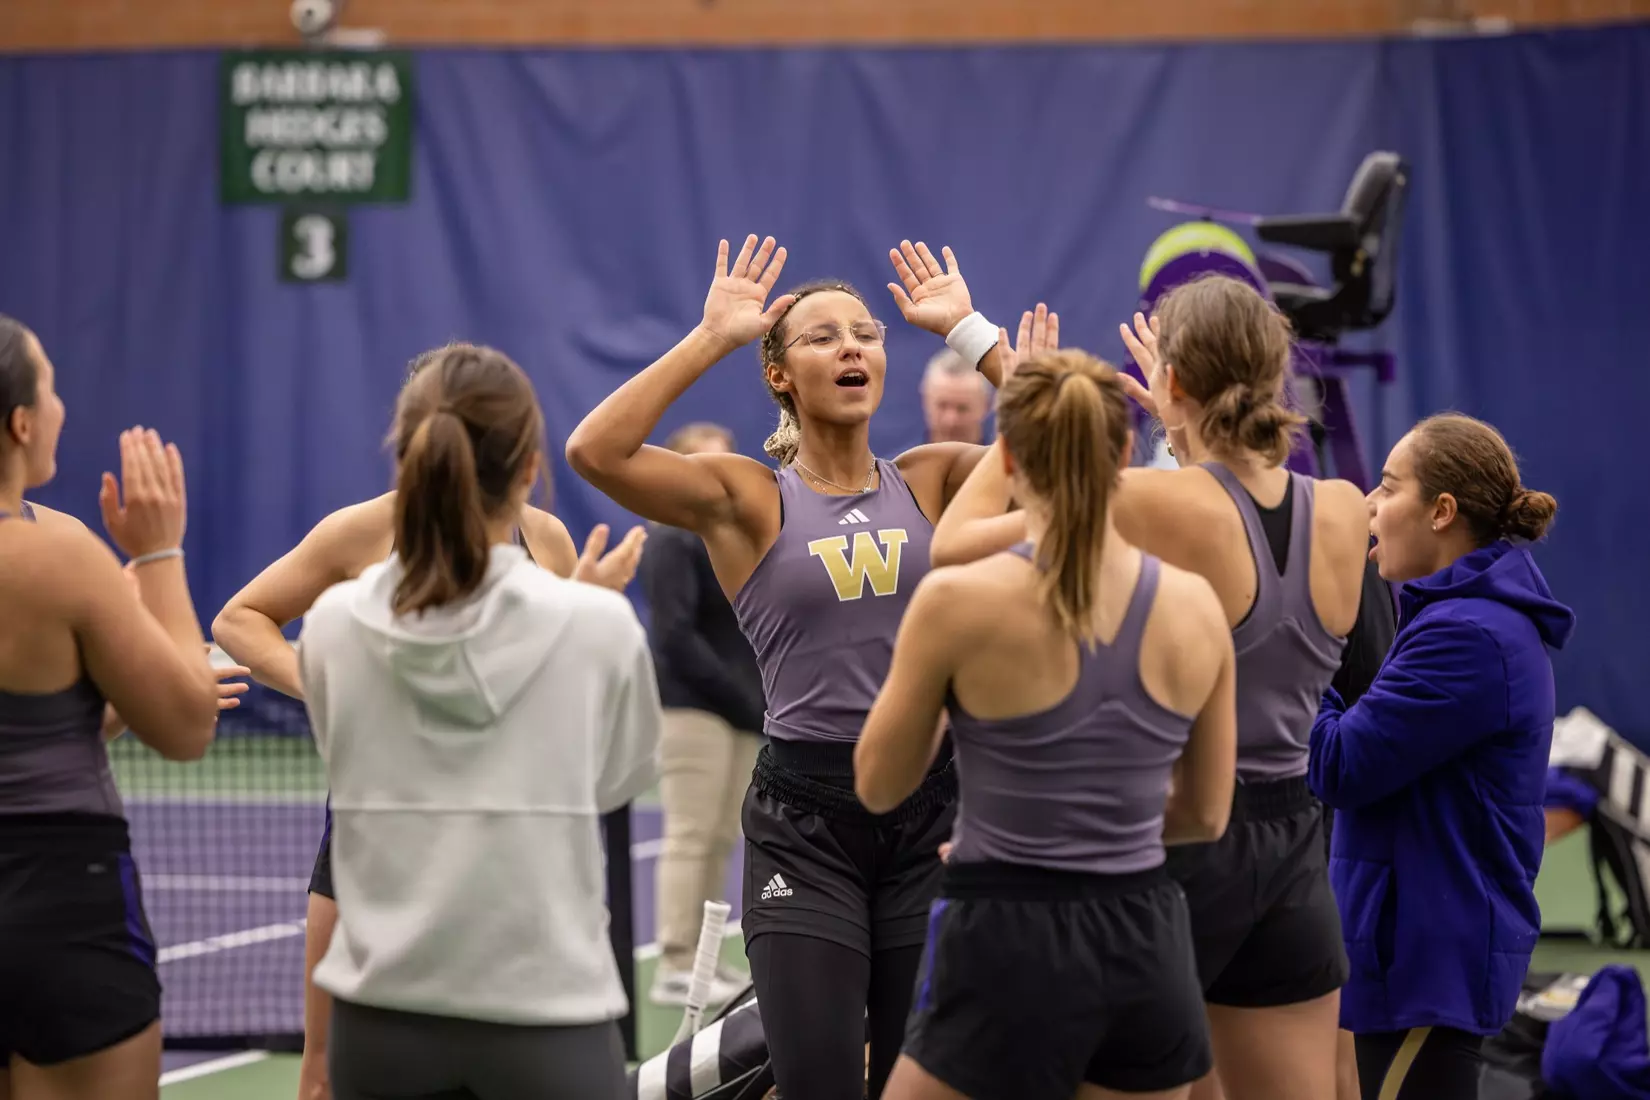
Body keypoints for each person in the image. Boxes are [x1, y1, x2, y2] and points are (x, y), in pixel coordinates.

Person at [566, 234, 1019, 1100]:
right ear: (780, 374)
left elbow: (1080, 445)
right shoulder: (748, 498)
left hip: (933, 813)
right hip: (805, 823)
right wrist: (710, 338)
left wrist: (970, 333)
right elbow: (596, 453)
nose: (853, 345)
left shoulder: (936, 479)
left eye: (867, 332)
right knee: (817, 1082)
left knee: (913, 1083)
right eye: (822, 337)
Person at [930, 275, 1372, 1100]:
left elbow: (954, 547)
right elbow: (1247, 493)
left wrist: (1020, 401)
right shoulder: (1344, 508)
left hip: (1171, 845)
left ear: (1171, 381)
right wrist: (1182, 421)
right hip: (1294, 853)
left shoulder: (1145, 499)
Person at [210, 344, 646, 1100]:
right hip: (394, 876)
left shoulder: (536, 549)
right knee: (316, 1080)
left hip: (472, 944)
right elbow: (239, 619)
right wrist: (329, 691)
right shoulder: (355, 549)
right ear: (529, 461)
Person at [855, 346, 1238, 1100]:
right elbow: (1204, 813)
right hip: (1146, 941)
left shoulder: (957, 601)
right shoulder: (1196, 605)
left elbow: (877, 787)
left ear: (1007, 459)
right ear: (1126, 454)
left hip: (1004, 932)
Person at [1308, 413, 1573, 1100]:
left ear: (1442, 512)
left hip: (1426, 969)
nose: (1370, 504)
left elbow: (1340, 766)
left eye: (1389, 489)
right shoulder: (1457, 617)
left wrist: (1287, 656)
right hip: (1414, 956)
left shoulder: (1468, 636)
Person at [0, 315, 222, 1100]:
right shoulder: (60, 557)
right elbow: (189, 725)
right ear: (21, 423)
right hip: (62, 900)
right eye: (52, 388)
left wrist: (114, 688)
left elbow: (46, 731)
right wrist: (158, 557)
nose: (62, 408)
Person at [640, 421, 765, 1009]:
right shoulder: (671, 539)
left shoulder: (734, 541)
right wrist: (739, 699)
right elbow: (674, 635)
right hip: (693, 711)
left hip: (741, 714)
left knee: (719, 838)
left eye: (727, 460)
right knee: (690, 836)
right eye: (704, 463)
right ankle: (674, 961)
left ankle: (704, 962)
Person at [919, 349, 991, 446]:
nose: (950, 421)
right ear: (925, 400)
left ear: (986, 406)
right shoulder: (900, 461)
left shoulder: (1009, 460)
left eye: (962, 409)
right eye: (942, 406)